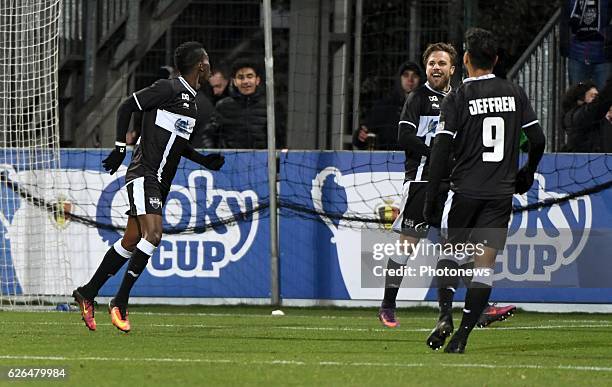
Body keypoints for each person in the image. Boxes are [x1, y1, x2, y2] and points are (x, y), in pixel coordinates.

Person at [72, 41, 225, 333]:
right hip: (145, 173)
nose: (209, 65)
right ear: (201, 65)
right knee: (153, 234)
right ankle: (120, 301)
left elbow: (177, 143)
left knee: (132, 240)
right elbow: (127, 105)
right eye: (207, 61)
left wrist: (204, 161)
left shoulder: (191, 102)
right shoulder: (169, 88)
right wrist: (119, 148)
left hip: (160, 180)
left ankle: (87, 292)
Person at [378, 42, 516, 330]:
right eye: (431, 63)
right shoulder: (418, 98)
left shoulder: (460, 98)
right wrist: (438, 154)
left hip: (454, 184)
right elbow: (404, 137)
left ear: (454, 68)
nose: (436, 68)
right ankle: (388, 305)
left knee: (458, 247)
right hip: (422, 181)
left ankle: (480, 310)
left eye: (442, 63)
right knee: (407, 244)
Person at [423, 28, 545, 353]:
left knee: (449, 254)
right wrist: (528, 172)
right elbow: (538, 140)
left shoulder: (458, 97)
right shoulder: (514, 92)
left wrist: (432, 196)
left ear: (464, 60)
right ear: (496, 59)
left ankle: (444, 317)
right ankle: (462, 337)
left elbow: (440, 151)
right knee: (484, 267)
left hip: (465, 192)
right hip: (499, 196)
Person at [353, 61, 423, 150]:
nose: (410, 79)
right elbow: (361, 138)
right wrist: (360, 135)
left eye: (415, 76)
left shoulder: (428, 107)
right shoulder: (385, 106)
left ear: (420, 80)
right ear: (399, 79)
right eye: (406, 75)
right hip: (388, 160)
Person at [202, 60, 271, 149]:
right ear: (234, 81)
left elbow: (279, 137)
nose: (245, 81)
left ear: (257, 80)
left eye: (250, 76)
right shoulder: (223, 106)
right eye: (241, 77)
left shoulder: (269, 107)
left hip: (262, 160)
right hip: (230, 159)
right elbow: (209, 135)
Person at [561, 0, 612, 89]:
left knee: (604, 99)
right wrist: (565, 46)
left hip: (602, 56)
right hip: (577, 55)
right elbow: (565, 22)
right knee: (578, 99)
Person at [561, 79, 612, 152]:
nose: (596, 100)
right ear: (579, 101)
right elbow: (601, 101)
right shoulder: (575, 116)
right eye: (593, 97)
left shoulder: (602, 120)